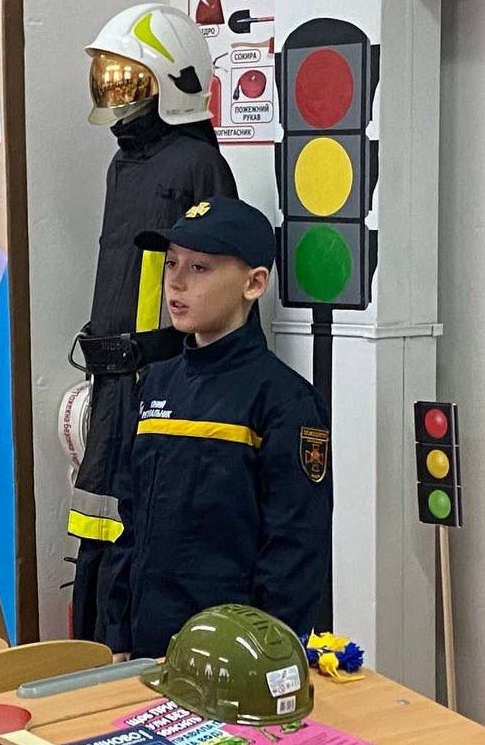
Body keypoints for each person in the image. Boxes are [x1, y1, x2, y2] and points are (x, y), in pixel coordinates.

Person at [69, 3, 237, 645]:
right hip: (111, 381)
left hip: (158, 378)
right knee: (98, 526)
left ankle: (129, 660)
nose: (116, 91)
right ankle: (92, 657)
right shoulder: (124, 163)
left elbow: (214, 285)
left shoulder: (196, 164)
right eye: (108, 76)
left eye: (128, 77)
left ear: (173, 80)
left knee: (143, 533)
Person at [103, 197, 333, 660]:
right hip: (148, 644)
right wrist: (118, 632)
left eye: (200, 268)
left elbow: (296, 548)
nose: (176, 282)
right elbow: (132, 520)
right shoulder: (156, 383)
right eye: (172, 263)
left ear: (254, 283)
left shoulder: (284, 399)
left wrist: (266, 654)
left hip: (232, 655)